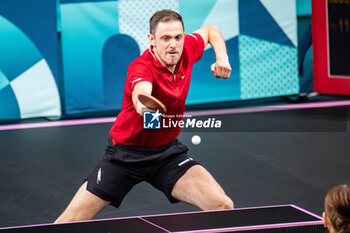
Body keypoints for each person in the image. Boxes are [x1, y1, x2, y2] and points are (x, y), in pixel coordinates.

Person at [55, 9, 233, 223]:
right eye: (165, 38)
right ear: (152, 40)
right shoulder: (141, 67)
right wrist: (146, 106)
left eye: (178, 37)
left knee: (222, 205)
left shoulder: (187, 49)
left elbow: (211, 30)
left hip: (168, 154)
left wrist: (222, 57)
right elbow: (141, 92)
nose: (173, 44)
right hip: (125, 157)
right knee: (69, 222)